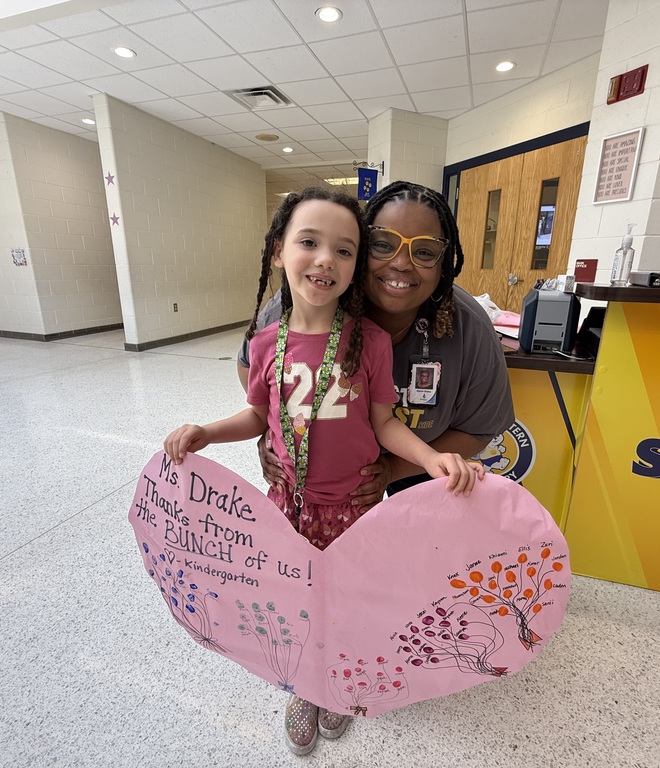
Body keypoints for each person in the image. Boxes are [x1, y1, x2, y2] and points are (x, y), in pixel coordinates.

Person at [163, 186, 484, 756]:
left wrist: (430, 459)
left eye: (344, 250)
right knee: (295, 603)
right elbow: (257, 416)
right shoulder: (266, 343)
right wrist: (208, 432)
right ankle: (304, 686)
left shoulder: (372, 343)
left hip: (354, 509)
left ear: (355, 266)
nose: (324, 260)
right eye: (308, 243)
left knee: (347, 601)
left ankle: (337, 681)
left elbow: (385, 424)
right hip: (286, 506)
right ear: (278, 252)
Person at [239, 180, 514, 510]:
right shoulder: (304, 302)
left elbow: (479, 428)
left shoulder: (469, 327)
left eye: (425, 252)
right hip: (321, 474)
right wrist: (278, 430)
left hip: (422, 457)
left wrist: (393, 470)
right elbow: (250, 366)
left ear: (443, 264)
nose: (401, 263)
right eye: (382, 245)